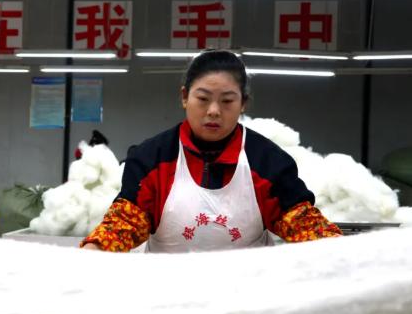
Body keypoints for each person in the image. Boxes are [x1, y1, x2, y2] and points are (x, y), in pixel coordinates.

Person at [81, 50, 341, 252]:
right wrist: (95, 249)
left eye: (227, 101)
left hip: (246, 297)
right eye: (203, 99)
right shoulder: (152, 159)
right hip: (168, 296)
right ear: (185, 97)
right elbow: (125, 223)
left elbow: (302, 223)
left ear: (243, 103)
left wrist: (343, 253)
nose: (214, 111)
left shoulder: (267, 162)